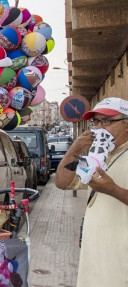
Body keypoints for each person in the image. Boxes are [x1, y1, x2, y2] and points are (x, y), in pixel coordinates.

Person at [54, 97, 128, 287]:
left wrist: (113, 190)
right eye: (95, 122)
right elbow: (62, 182)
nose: (99, 128)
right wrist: (75, 148)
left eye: (107, 121)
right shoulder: (97, 158)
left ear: (126, 124)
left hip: (120, 270)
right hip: (94, 266)